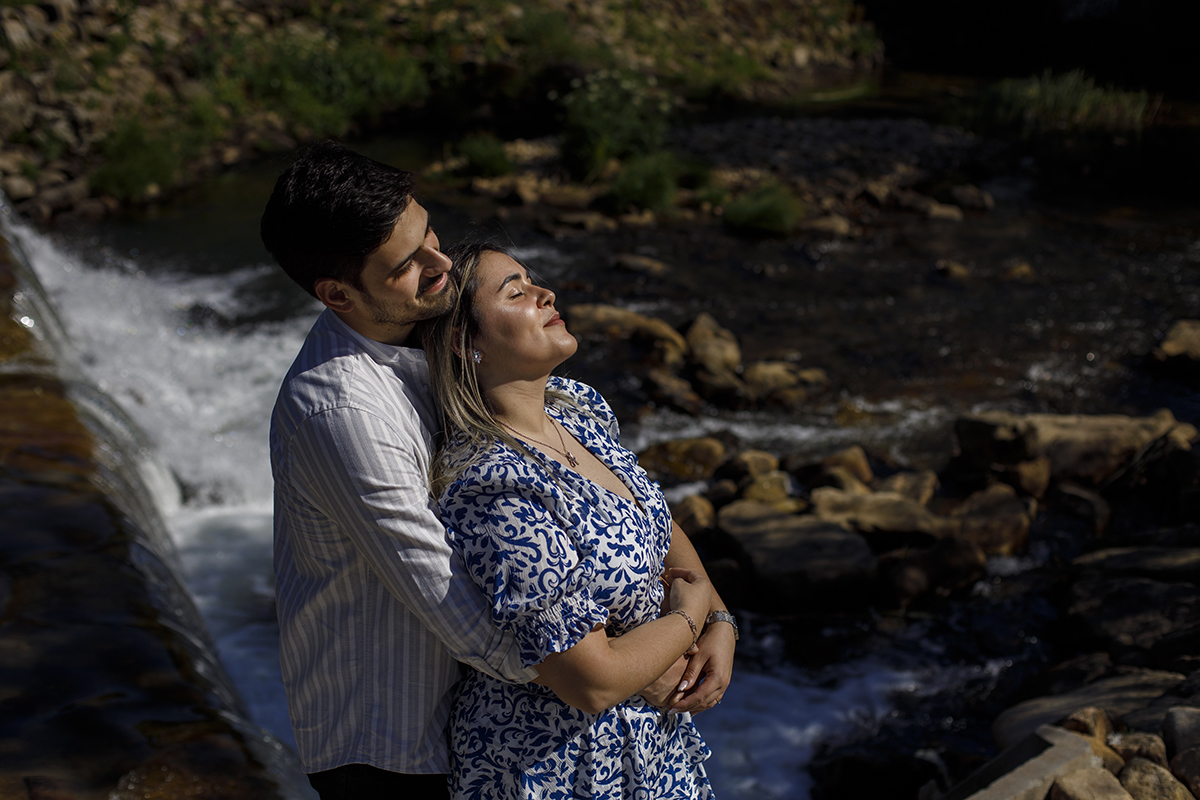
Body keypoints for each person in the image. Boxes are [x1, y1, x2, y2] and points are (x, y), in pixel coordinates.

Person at [260, 141, 723, 799]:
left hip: (486, 717)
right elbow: (456, 606)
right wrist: (620, 667)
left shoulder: (531, 390)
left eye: (431, 236)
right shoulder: (344, 411)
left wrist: (715, 622)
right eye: (407, 264)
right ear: (337, 294)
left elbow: (644, 512)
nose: (440, 264)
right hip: (392, 741)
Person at [422, 239, 737, 799]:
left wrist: (720, 619)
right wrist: (689, 618)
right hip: (562, 766)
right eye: (515, 292)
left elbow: (650, 519)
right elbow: (592, 681)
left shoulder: (575, 408)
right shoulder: (495, 486)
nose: (545, 294)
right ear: (463, 340)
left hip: (650, 746)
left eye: (533, 280)